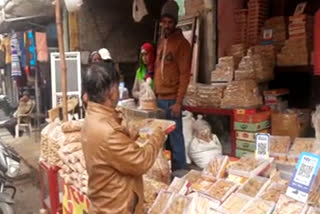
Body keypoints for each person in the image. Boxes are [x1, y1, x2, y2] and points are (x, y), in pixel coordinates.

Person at [81, 62, 165, 214]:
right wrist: (158, 135)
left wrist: (130, 132)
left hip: (104, 202)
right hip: (116, 208)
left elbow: (110, 149)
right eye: (117, 86)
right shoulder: (109, 132)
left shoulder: (92, 115)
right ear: (112, 92)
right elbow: (141, 161)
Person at [154, 0, 192, 171]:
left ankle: (180, 173)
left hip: (171, 101)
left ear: (175, 23)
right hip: (159, 99)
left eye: (170, 22)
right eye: (164, 22)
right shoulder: (162, 41)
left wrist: (178, 102)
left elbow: (185, 75)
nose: (167, 25)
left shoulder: (182, 44)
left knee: (176, 138)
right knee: (161, 138)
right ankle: (164, 172)